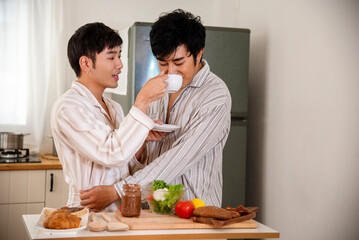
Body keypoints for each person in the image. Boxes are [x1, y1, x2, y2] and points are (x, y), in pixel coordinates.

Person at [80, 9, 232, 211]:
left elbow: (179, 158)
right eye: (162, 63)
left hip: (195, 214)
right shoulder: (157, 89)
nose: (170, 72)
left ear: (199, 53)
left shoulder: (215, 97)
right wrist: (142, 141)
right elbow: (145, 156)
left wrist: (117, 191)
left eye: (179, 62)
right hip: (153, 212)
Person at [51, 22, 168, 211]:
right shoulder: (69, 107)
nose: (120, 64)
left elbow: (125, 165)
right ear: (86, 63)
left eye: (119, 56)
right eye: (111, 57)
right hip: (87, 213)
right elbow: (110, 153)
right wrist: (143, 99)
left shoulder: (114, 107)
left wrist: (140, 141)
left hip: (121, 212)